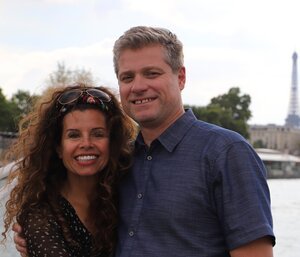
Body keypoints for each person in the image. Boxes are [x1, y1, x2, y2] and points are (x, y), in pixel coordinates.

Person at [14, 26, 275, 257]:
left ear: (181, 77)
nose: (138, 86)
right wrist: (38, 234)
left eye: (151, 73)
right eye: (128, 77)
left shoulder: (225, 153)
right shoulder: (120, 162)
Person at [2, 82, 136, 256]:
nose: (86, 144)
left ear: (112, 143)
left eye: (98, 134)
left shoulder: (127, 196)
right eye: (74, 135)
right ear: (58, 147)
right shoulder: (40, 217)